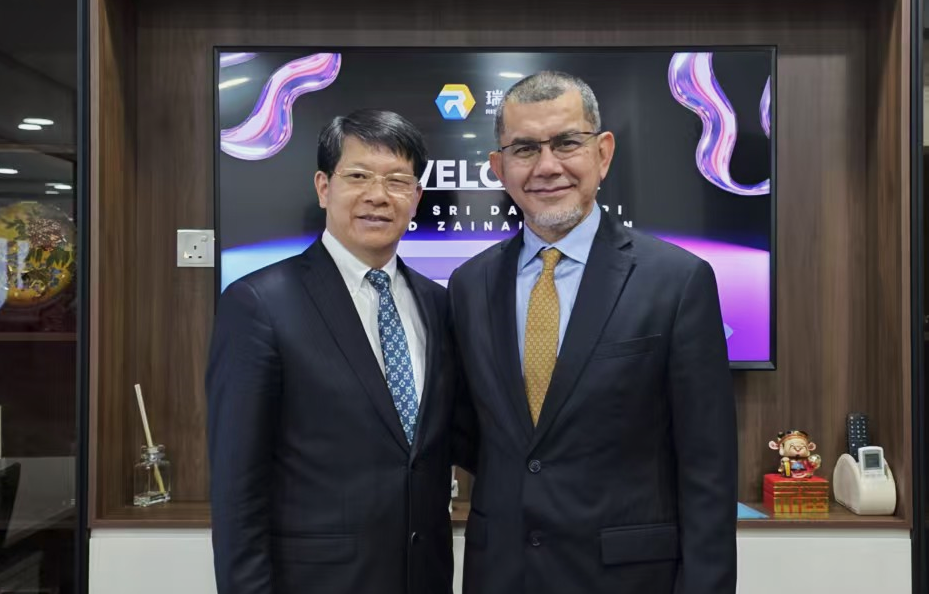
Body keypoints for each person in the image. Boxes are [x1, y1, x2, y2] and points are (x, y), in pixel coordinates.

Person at [449, 71, 737, 594]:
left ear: (603, 153)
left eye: (566, 143)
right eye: (524, 149)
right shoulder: (469, 286)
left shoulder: (677, 282)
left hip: (627, 578)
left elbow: (708, 472)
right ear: (498, 168)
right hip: (502, 574)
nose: (547, 166)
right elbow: (473, 435)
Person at [207, 109, 455, 594]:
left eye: (397, 181)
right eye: (358, 176)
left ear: (416, 198)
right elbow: (238, 488)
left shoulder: (438, 303)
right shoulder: (259, 304)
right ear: (324, 187)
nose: (377, 196)